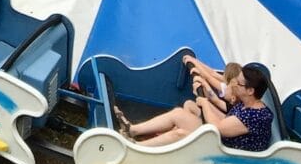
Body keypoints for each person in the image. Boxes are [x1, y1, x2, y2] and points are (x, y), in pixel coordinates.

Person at [116, 63, 274, 152]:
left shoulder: (255, 116)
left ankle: (134, 148)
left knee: (181, 134)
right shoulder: (246, 104)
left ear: (250, 91)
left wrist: (205, 104)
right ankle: (133, 130)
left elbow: (217, 127)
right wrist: (204, 98)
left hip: (226, 152)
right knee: (179, 114)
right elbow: (225, 119)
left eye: (237, 83)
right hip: (221, 141)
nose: (232, 85)